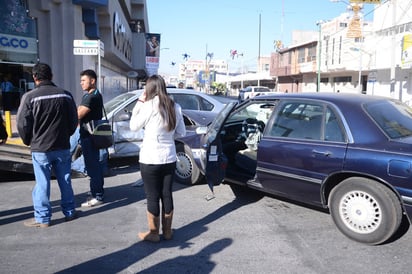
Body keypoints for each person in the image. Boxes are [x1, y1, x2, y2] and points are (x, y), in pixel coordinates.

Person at [17, 63, 78, 227]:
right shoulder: (66, 95)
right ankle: (70, 212)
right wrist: (67, 135)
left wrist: (28, 140)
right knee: (65, 180)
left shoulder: (30, 97)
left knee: (43, 183)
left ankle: (43, 218)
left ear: (35, 77)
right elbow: (73, 121)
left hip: (40, 148)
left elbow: (22, 124)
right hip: (62, 146)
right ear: (51, 76)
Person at [130, 75, 186, 242]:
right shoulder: (175, 106)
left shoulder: (147, 106)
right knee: (167, 194)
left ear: (149, 89)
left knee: (152, 195)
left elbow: (133, 126)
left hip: (149, 157)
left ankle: (154, 233)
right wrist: (168, 136)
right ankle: (167, 232)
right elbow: (181, 132)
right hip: (169, 157)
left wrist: (139, 103)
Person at [77, 69, 105, 207]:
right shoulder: (95, 94)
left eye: (83, 80)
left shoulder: (91, 97)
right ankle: (96, 191)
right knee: (93, 165)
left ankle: (97, 195)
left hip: (90, 136)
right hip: (92, 135)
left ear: (92, 81)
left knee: (93, 166)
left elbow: (78, 114)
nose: (81, 83)